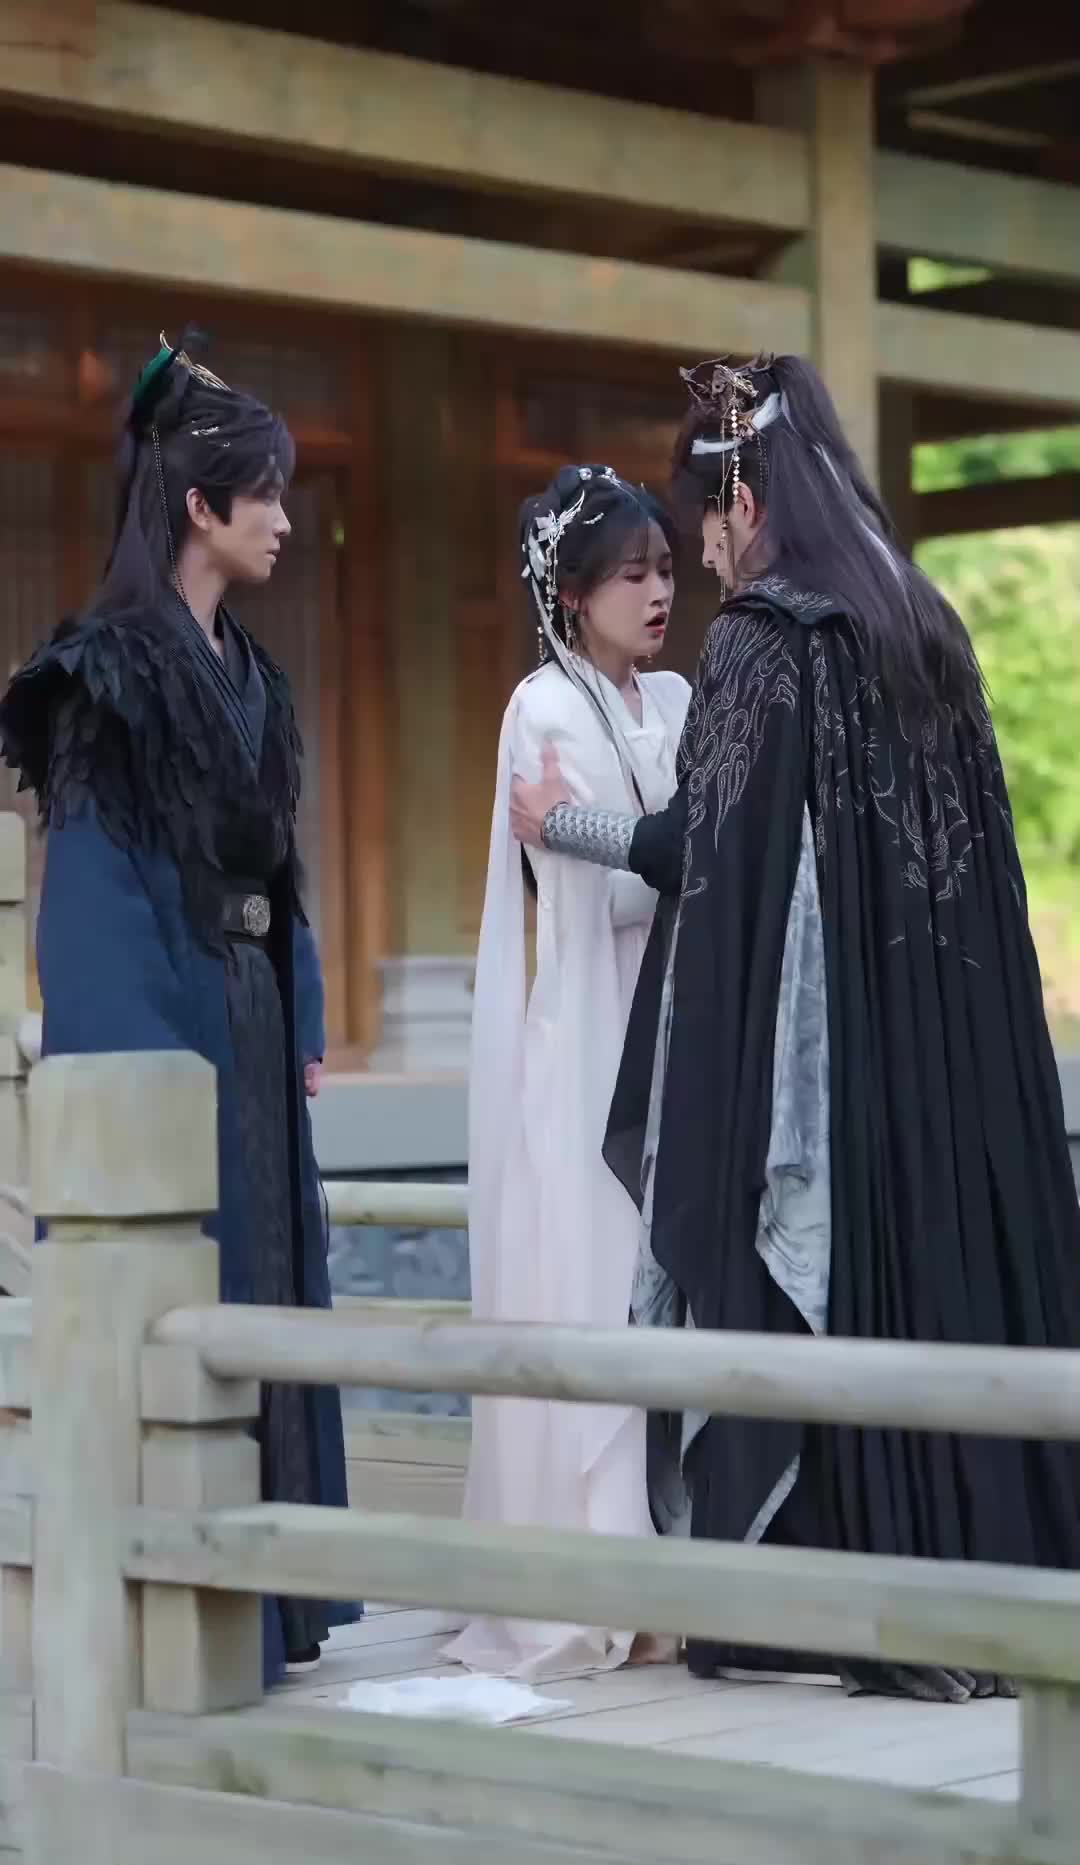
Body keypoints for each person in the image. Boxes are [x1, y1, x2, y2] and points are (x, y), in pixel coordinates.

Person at [510, 355, 1080, 1704]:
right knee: (944, 1284)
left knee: (829, 1270)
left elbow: (705, 849)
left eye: (703, 528)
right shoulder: (923, 621)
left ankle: (842, 1593)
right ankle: (997, 1574)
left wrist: (565, 824)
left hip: (840, 1057)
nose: (702, 561)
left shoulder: (767, 639)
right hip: (952, 1041)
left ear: (745, 502)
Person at [0, 328, 359, 1684]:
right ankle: (189, 1605)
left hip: (252, 1018)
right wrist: (145, 1075)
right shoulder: (105, 673)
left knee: (272, 1271)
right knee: (191, 1277)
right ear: (200, 507)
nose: (284, 520)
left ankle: (278, 1594)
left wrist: (299, 1008)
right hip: (175, 1023)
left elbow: (279, 870)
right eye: (263, 495)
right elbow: (93, 890)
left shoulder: (250, 672)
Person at [444, 464, 690, 1681]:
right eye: (632, 574)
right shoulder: (539, 707)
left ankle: (675, 1572)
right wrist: (661, 854)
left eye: (666, 570)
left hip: (677, 1021)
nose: (658, 593)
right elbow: (620, 891)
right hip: (590, 1031)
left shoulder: (682, 698)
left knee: (670, 1289)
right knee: (592, 1278)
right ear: (573, 592)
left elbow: (694, 853)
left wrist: (643, 848)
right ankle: (595, 1582)